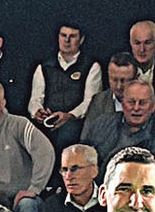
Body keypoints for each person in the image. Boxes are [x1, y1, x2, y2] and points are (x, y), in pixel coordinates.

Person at [28, 21, 101, 152]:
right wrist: (37, 111)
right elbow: (35, 99)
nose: (67, 40)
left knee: (69, 132)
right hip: (47, 126)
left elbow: (91, 102)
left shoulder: (91, 66)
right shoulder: (44, 66)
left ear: (81, 40)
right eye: (63, 35)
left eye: (72, 36)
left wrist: (69, 116)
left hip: (76, 128)